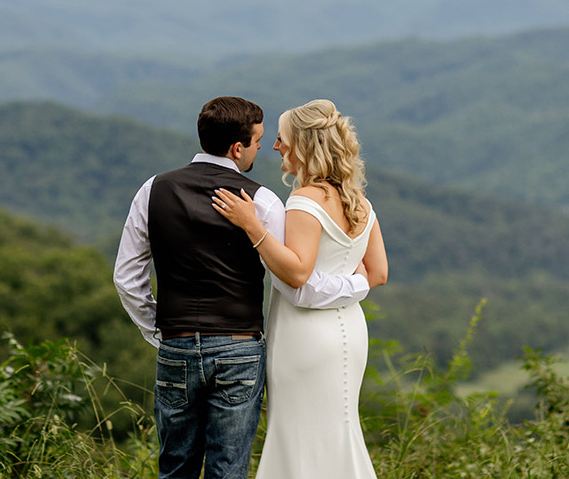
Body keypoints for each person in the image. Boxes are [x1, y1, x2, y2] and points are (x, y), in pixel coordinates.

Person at [114, 96, 372, 479]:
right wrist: (357, 284)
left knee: (174, 467)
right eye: (257, 141)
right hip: (239, 348)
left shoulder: (153, 189)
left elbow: (127, 277)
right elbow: (296, 279)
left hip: (176, 343)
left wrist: (160, 329)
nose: (263, 148)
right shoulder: (264, 201)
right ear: (238, 148)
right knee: (228, 469)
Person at [212, 98, 388, 479]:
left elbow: (297, 273)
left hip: (304, 338)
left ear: (304, 145)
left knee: (297, 435)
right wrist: (349, 283)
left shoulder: (305, 200)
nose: (276, 146)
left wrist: (252, 226)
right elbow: (378, 272)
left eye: (282, 138)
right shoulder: (359, 201)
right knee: (340, 429)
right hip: (351, 332)